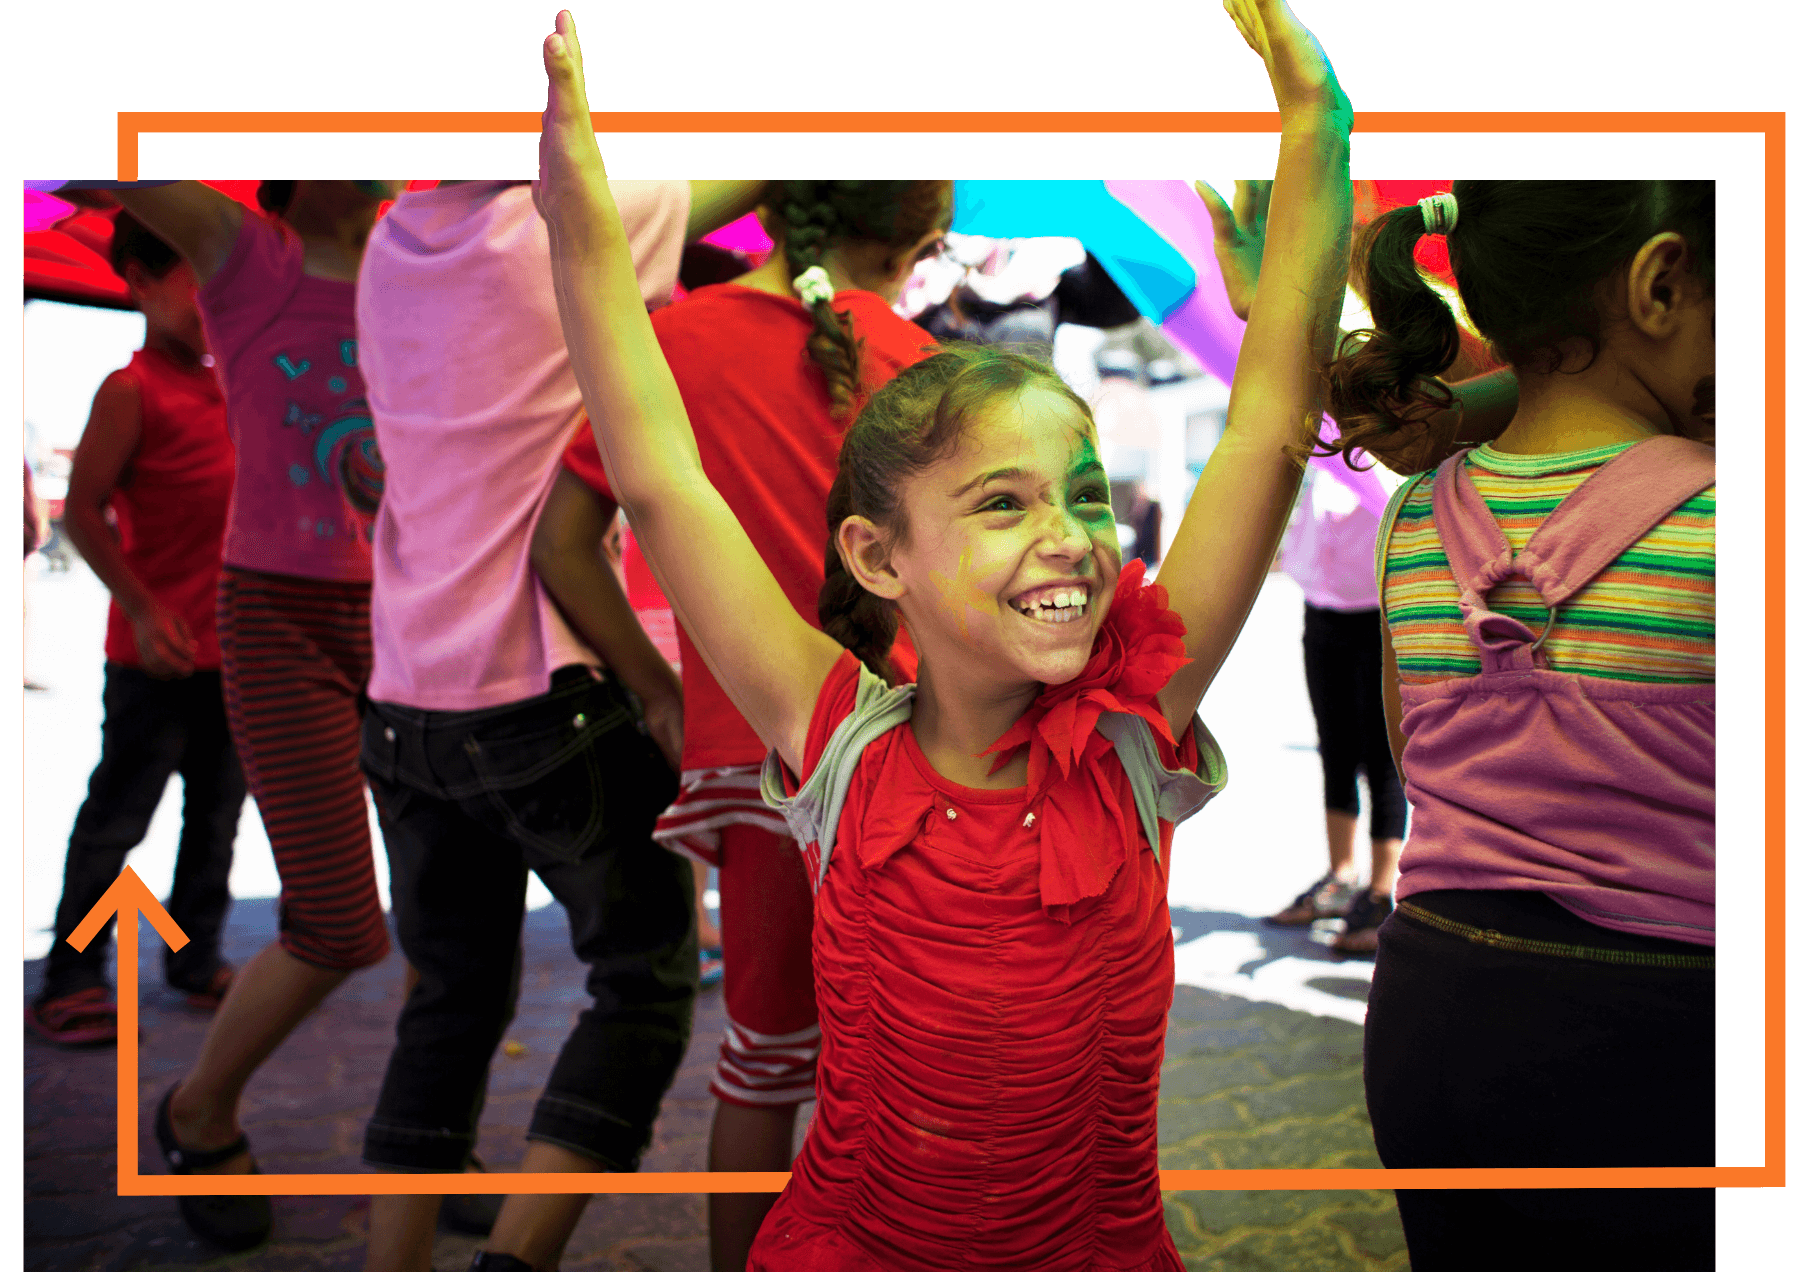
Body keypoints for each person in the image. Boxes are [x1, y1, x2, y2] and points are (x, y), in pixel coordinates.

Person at [532, 2, 1350, 1267]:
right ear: (877, 557)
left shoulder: (1138, 731)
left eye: (1084, 495)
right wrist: (581, 218)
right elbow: (657, 479)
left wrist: (1318, 132)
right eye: (1003, 503)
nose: (1074, 536)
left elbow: (1268, 426)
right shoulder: (837, 739)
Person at [349, 176, 762, 1272]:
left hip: (403, 701)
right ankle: (515, 1260)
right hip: (547, 698)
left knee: (447, 999)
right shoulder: (584, 215)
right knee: (644, 980)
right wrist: (657, 688)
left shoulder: (390, 243)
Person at [538, 176, 942, 1272]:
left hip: (760, 766)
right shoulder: (938, 379)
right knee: (921, 1067)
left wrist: (662, 692)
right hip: (924, 766)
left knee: (763, 1063)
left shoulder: (674, 341)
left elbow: (562, 545)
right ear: (927, 236)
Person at [1322, 180, 1716, 1268]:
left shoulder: (1413, 519)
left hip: (1434, 1018)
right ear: (1663, 282)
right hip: (1668, 1036)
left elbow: (1415, 760)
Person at [106, 178, 403, 1252]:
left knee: (456, 907)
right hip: (281, 617)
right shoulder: (246, 249)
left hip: (420, 614)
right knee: (338, 925)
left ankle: (431, 1137)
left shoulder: (424, 250)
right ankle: (197, 1109)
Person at [26, 212, 244, 1047]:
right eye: (194, 278)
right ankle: (70, 980)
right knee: (119, 816)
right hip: (153, 654)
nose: (211, 297)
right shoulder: (130, 388)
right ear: (142, 284)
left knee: (217, 817)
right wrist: (145, 605)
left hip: (235, 651)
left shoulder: (233, 384)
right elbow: (82, 512)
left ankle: (196, 958)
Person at [1266, 460, 1408, 951]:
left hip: (1376, 614)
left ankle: (1380, 892)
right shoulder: (1323, 455)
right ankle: (1341, 878)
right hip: (1323, 609)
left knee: (1382, 753)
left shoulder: (1390, 457)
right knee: (1335, 748)